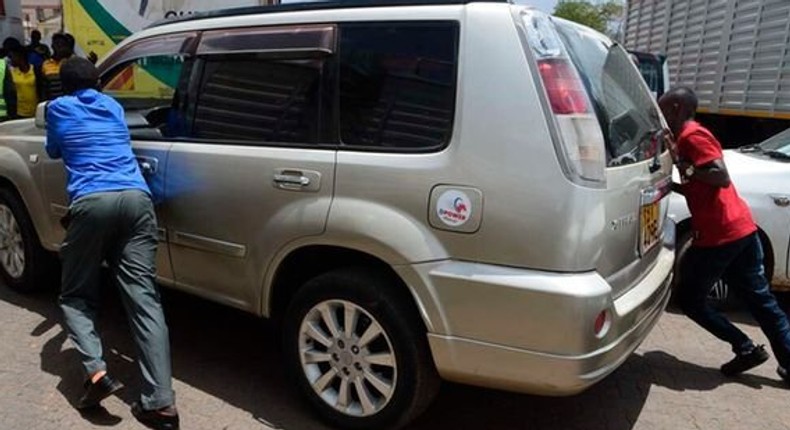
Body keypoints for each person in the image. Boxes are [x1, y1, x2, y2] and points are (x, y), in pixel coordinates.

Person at [45, 57, 180, 429]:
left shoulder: (58, 108)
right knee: (144, 301)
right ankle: (162, 405)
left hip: (91, 202)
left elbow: (55, 151)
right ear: (98, 84)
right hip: (137, 199)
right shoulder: (113, 106)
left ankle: (96, 373)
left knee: (75, 295)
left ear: (63, 85)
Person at [659, 86, 790, 386]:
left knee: (691, 300)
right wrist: (674, 182)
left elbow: (719, 175)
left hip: (721, 236)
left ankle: (745, 347)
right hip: (740, 228)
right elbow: (699, 183)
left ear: (677, 107)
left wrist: (685, 169)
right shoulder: (685, 139)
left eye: (663, 107)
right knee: (761, 302)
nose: (661, 114)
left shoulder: (693, 135)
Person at [5, 44, 43, 119]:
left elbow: (41, 89)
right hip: (19, 112)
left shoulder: (35, 70)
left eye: (12, 57)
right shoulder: (12, 72)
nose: (11, 60)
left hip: (35, 111)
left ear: (19, 56)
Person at [41, 32, 74, 100]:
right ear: (52, 46)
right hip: (52, 103)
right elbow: (43, 87)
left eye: (63, 44)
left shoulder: (72, 62)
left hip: (69, 103)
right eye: (58, 44)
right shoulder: (46, 64)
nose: (60, 47)